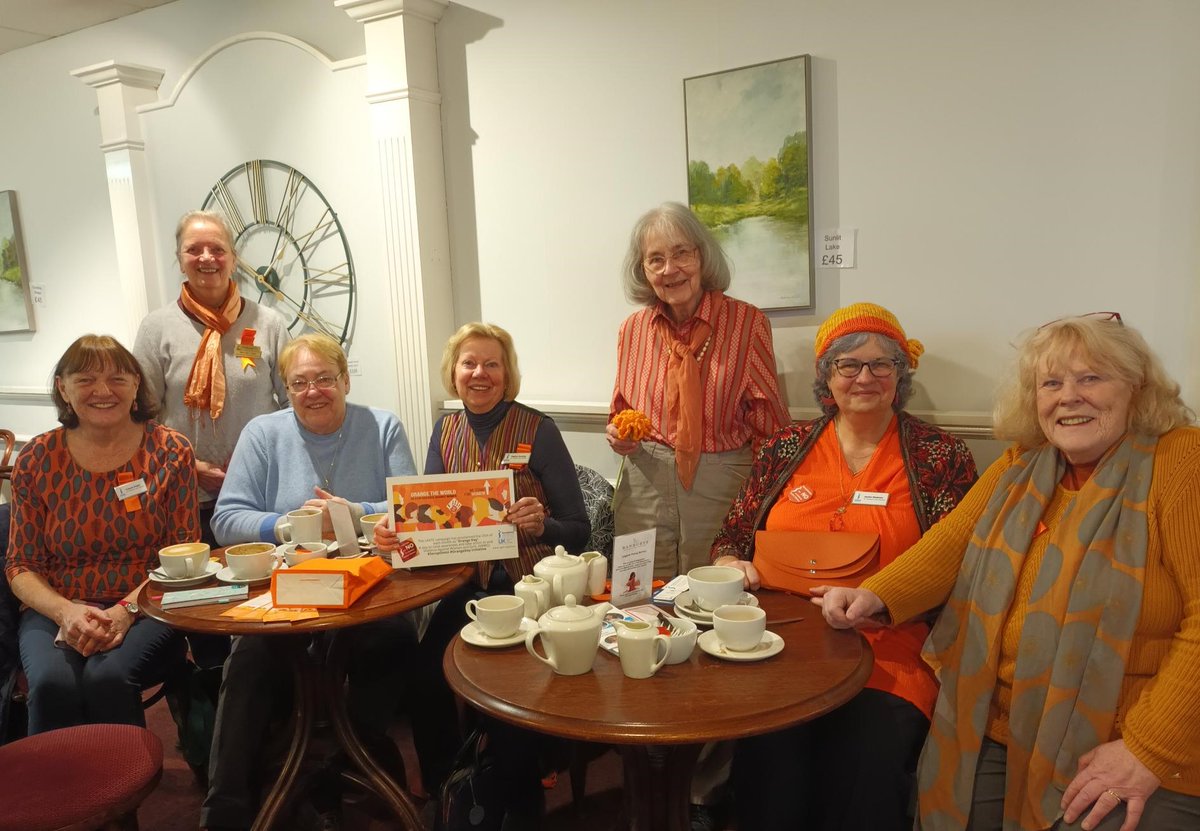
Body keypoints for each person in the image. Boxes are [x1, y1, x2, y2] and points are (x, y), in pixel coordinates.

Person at [817, 313, 1200, 831]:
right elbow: (951, 543)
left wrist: (1146, 750)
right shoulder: (1024, 463)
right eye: (1052, 382)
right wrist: (874, 595)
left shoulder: (1181, 462)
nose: (1069, 396)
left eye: (1092, 378)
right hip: (1001, 723)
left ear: (1136, 388)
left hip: (1131, 735)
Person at [711, 303, 978, 831]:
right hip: (778, 645)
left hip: (888, 645)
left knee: (864, 764)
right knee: (770, 762)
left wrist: (886, 603)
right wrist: (729, 563)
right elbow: (731, 537)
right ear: (825, 377)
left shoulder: (939, 455)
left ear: (901, 376)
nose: (864, 377)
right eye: (847, 365)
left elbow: (961, 565)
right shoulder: (783, 449)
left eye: (882, 365)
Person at [200, 333, 419, 831]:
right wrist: (289, 524)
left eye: (324, 378)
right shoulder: (262, 432)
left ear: (344, 379)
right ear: (286, 388)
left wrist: (350, 513)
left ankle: (340, 761)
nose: (313, 390)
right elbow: (226, 517)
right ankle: (225, 810)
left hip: (368, 585)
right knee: (249, 660)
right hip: (284, 587)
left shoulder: (381, 425)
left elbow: (409, 505)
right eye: (299, 382)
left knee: (395, 641)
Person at [374, 322, 589, 824]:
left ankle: (509, 788)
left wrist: (542, 524)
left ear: (507, 373)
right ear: (454, 372)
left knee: (510, 686)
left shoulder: (539, 429)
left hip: (528, 588)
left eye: (492, 363)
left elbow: (577, 530)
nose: (480, 373)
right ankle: (449, 781)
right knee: (427, 673)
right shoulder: (444, 430)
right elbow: (423, 522)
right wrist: (394, 532)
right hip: (468, 585)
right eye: (469, 363)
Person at [5, 335, 198, 734]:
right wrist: (67, 612)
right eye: (87, 379)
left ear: (136, 386)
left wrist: (124, 612)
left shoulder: (171, 450)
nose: (103, 391)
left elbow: (183, 556)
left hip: (149, 600)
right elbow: (21, 565)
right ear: (63, 387)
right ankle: (55, 795)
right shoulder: (37, 459)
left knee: (106, 678)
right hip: (56, 604)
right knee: (52, 683)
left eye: (117, 378)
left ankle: (119, 792)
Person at [607, 202, 789, 580]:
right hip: (644, 478)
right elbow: (621, 408)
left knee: (712, 594)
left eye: (680, 254)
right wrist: (619, 436)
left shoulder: (747, 322)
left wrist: (768, 500)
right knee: (639, 590)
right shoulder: (632, 330)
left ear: (703, 257)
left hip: (720, 478)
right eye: (655, 259)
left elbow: (769, 421)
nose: (669, 269)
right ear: (643, 269)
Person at [134, 210, 290, 547]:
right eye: (194, 249)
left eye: (218, 249)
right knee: (198, 593)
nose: (207, 258)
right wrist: (188, 465)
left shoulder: (269, 323)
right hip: (184, 495)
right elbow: (140, 417)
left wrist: (253, 460)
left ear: (233, 259)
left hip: (260, 493)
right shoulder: (156, 328)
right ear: (180, 260)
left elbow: (293, 405)